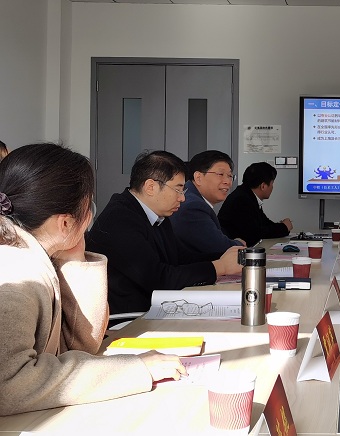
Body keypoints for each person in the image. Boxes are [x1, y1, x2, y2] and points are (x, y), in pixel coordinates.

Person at [0, 144, 185, 416]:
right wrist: (134, 369)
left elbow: (80, 346)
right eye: (89, 206)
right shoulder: (16, 276)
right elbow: (10, 386)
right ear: (65, 223)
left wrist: (76, 257)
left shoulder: (37, 255)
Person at [86, 150, 242, 314]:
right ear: (150, 187)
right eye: (178, 189)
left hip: (156, 308)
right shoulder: (120, 219)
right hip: (132, 318)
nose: (182, 198)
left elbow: (179, 258)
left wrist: (224, 258)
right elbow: (159, 279)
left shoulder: (156, 214)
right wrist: (219, 267)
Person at [170, 150, 246, 256]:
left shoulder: (192, 197)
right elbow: (220, 248)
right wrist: (239, 243)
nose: (227, 182)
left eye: (230, 176)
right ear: (198, 178)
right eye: (220, 174)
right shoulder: (192, 207)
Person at [218, 162, 293, 246]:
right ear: (263, 186)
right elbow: (255, 234)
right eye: (272, 184)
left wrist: (282, 226)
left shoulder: (248, 195)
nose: (272, 187)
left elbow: (264, 223)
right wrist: (284, 227)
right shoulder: (241, 200)